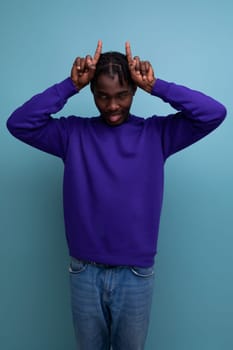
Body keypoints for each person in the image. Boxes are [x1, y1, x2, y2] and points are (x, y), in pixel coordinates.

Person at [7, 40, 226, 350]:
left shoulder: (157, 135)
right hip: (84, 271)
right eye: (103, 96)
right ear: (93, 93)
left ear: (134, 91)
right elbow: (19, 123)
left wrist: (157, 86)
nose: (112, 106)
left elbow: (213, 113)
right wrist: (69, 86)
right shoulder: (72, 135)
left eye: (122, 95)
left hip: (135, 274)